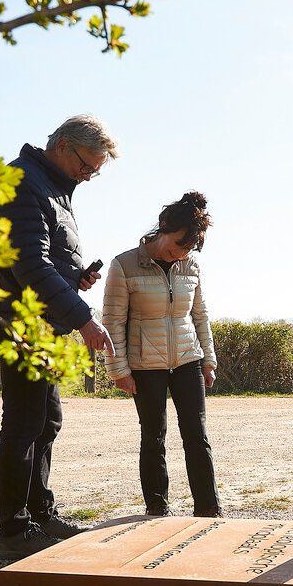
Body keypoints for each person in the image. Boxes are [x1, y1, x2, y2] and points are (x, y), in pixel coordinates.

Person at [0, 114, 118, 562]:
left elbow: (46, 261)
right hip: (21, 324)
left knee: (46, 420)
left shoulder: (52, 185)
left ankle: (39, 514)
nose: (90, 174)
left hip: (44, 320)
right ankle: (14, 529)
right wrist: (83, 317)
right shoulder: (23, 184)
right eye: (88, 165)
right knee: (24, 423)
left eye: (96, 171)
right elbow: (29, 266)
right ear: (62, 145)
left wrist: (73, 277)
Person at [102, 192, 222, 519]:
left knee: (197, 435)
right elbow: (113, 320)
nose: (180, 253)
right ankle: (157, 508)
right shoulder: (124, 265)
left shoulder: (191, 265)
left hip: (188, 360)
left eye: (188, 248)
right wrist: (118, 370)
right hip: (144, 366)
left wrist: (208, 361)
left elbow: (200, 315)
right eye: (178, 244)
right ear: (164, 227)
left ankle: (209, 510)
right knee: (153, 436)